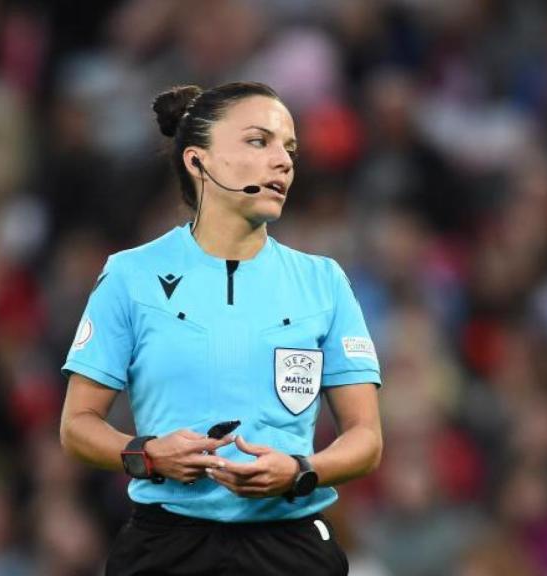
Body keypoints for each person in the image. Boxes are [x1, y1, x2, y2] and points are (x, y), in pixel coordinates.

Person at [59, 81, 382, 575]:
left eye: (289, 149)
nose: (283, 161)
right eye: (258, 141)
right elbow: (76, 426)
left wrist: (300, 470)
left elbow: (366, 438)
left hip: (291, 546)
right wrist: (149, 455)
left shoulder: (324, 281)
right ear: (198, 161)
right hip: (165, 546)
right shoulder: (131, 276)